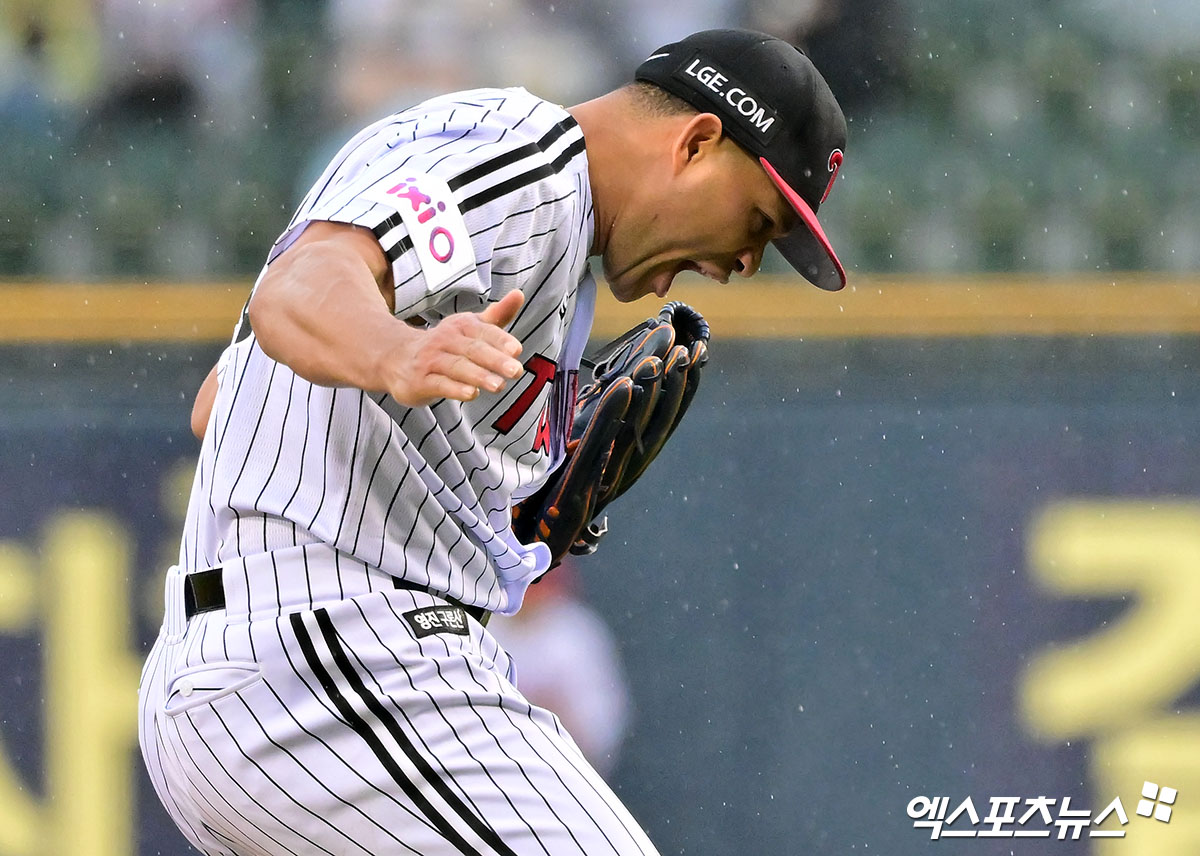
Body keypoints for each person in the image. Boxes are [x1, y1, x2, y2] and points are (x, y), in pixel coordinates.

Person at [139, 28, 848, 856]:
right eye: (759, 220)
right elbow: (297, 291)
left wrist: (494, 519)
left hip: (260, 675)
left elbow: (220, 402)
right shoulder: (529, 173)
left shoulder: (523, 203)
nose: (748, 261)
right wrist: (395, 353)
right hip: (325, 668)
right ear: (695, 143)